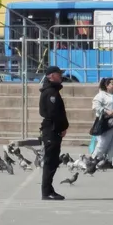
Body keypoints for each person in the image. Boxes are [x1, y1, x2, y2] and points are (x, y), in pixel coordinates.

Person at [39, 64, 69, 201]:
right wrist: (61, 127)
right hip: (51, 130)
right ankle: (46, 192)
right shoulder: (51, 92)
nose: (61, 76)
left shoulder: (52, 91)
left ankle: (49, 189)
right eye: (58, 74)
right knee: (50, 162)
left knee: (53, 161)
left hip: (52, 129)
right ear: (51, 76)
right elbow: (53, 113)